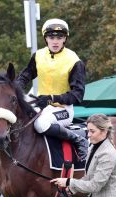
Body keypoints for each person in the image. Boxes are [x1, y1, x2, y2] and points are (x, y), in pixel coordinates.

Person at [16, 18, 88, 161]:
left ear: (65, 39)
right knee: (16, 117)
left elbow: (78, 95)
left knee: (40, 124)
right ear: (46, 39)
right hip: (41, 105)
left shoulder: (74, 60)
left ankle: (79, 140)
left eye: (59, 37)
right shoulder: (38, 55)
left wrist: (53, 98)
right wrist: (14, 88)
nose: (55, 41)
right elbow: (25, 76)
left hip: (63, 109)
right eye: (51, 37)